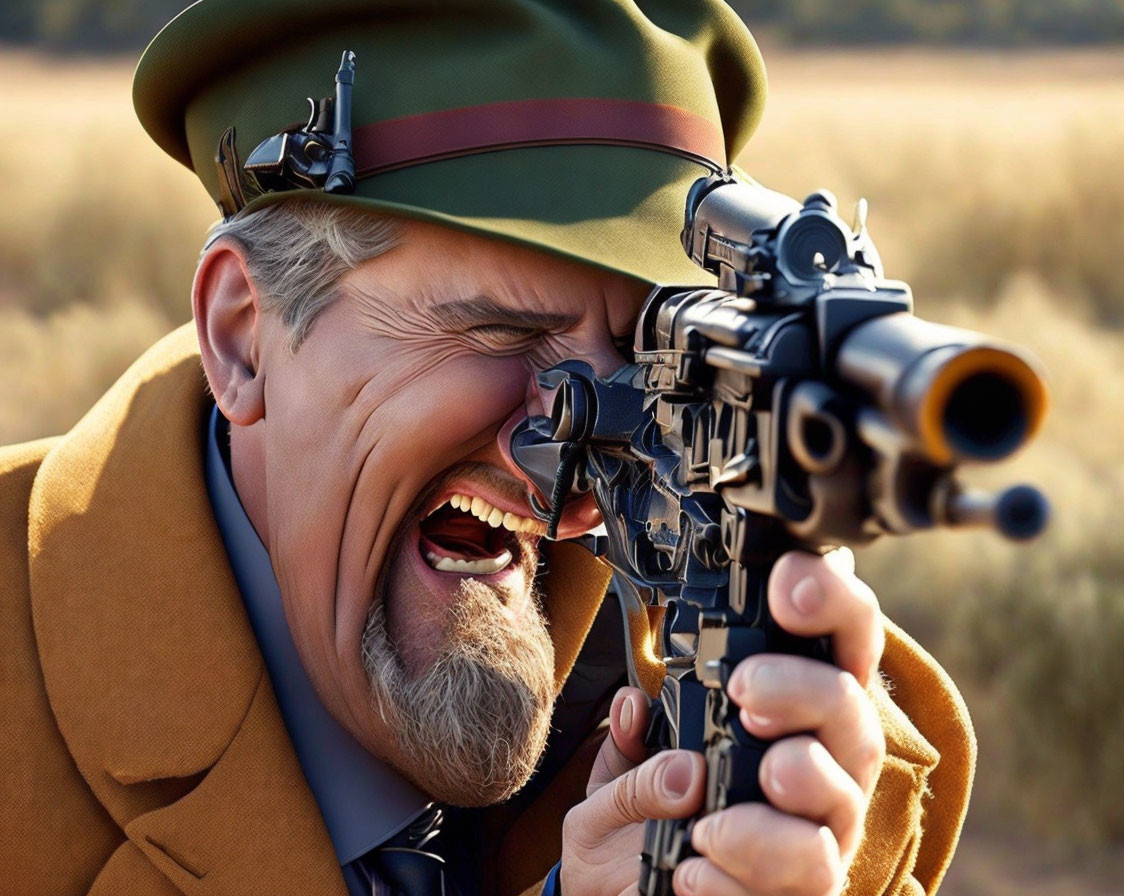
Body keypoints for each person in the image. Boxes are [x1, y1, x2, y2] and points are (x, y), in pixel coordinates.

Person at [0, 1, 975, 894]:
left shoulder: (809, 747)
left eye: (646, 361)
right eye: (503, 335)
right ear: (245, 335)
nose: (581, 450)